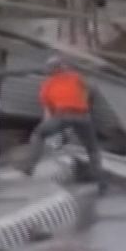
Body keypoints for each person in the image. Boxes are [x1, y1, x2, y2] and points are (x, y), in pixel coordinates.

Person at [22, 56, 104, 185]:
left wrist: (54, 124)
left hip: (62, 115)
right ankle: (100, 180)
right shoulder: (75, 77)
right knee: (92, 148)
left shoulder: (47, 85)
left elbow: (49, 111)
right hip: (83, 116)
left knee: (39, 134)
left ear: (49, 70)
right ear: (62, 67)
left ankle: (29, 168)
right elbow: (92, 89)